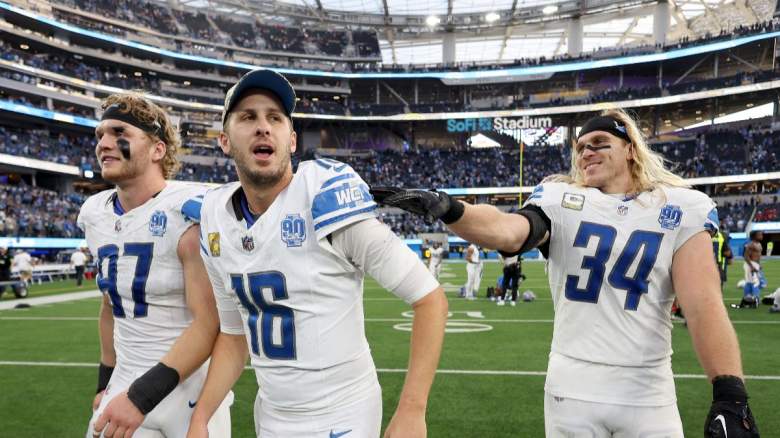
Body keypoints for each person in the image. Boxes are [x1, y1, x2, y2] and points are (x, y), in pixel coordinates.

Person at [373, 109, 759, 437]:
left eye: (599, 142)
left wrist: (730, 391)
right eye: (580, 146)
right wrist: (451, 209)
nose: (586, 151)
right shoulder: (561, 200)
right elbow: (509, 231)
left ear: (629, 148)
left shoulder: (680, 206)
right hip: (572, 388)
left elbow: (703, 303)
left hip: (647, 388)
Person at [188, 69, 447, 438]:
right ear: (225, 141)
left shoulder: (323, 197)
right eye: (248, 117)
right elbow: (233, 335)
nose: (263, 127)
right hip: (272, 413)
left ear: (291, 141)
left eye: (275, 118)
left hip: (341, 416)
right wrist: (201, 417)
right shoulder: (214, 215)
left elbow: (429, 298)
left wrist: (412, 410)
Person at [79, 92, 231, 438]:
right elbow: (110, 307)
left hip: (186, 390)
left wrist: (140, 397)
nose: (103, 143)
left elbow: (209, 324)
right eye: (99, 135)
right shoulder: (94, 214)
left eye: (119, 133)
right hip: (124, 383)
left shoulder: (185, 214)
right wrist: (106, 380)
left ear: (158, 149)